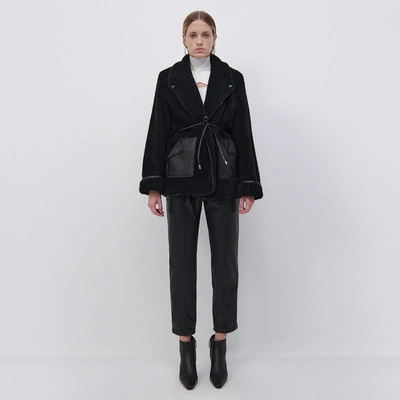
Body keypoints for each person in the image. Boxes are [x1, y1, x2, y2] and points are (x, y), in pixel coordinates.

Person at [139, 10, 263, 390]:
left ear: (214, 38)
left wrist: (247, 185)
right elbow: (158, 129)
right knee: (181, 264)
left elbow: (242, 130)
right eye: (192, 34)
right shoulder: (169, 79)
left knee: (226, 263)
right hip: (180, 180)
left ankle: (220, 343)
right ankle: (186, 345)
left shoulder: (232, 79)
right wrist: (154, 186)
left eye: (205, 34)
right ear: (183, 39)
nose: (199, 41)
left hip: (224, 179)